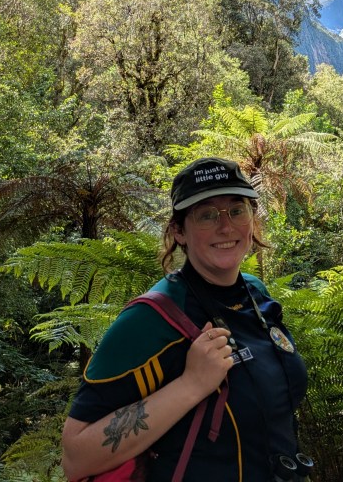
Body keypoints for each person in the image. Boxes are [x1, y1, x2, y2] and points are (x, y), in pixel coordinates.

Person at [62, 157, 309, 482]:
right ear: (179, 231)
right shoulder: (149, 319)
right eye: (206, 215)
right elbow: (76, 457)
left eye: (237, 210)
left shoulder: (256, 294)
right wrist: (191, 385)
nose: (226, 227)